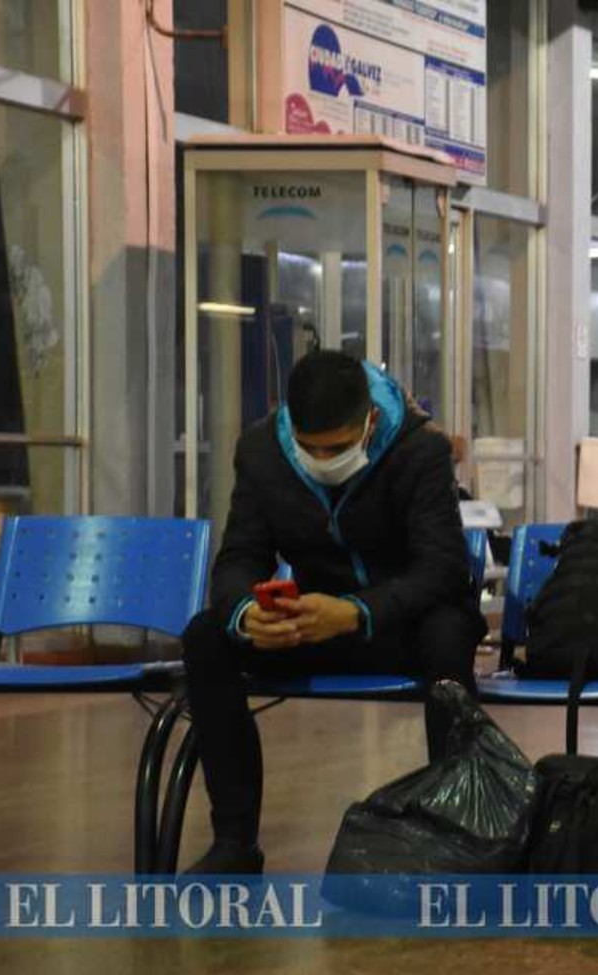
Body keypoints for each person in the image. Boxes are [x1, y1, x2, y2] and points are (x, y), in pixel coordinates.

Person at [180, 351, 486, 873]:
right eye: (310, 448)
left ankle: (461, 840)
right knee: (207, 637)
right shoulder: (261, 454)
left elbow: (443, 570)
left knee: (448, 635)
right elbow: (239, 558)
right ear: (289, 426)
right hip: (314, 624)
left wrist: (355, 613)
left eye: (340, 448)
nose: (324, 459)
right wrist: (246, 614)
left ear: (369, 421)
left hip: (405, 625)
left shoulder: (420, 450)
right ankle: (234, 842)